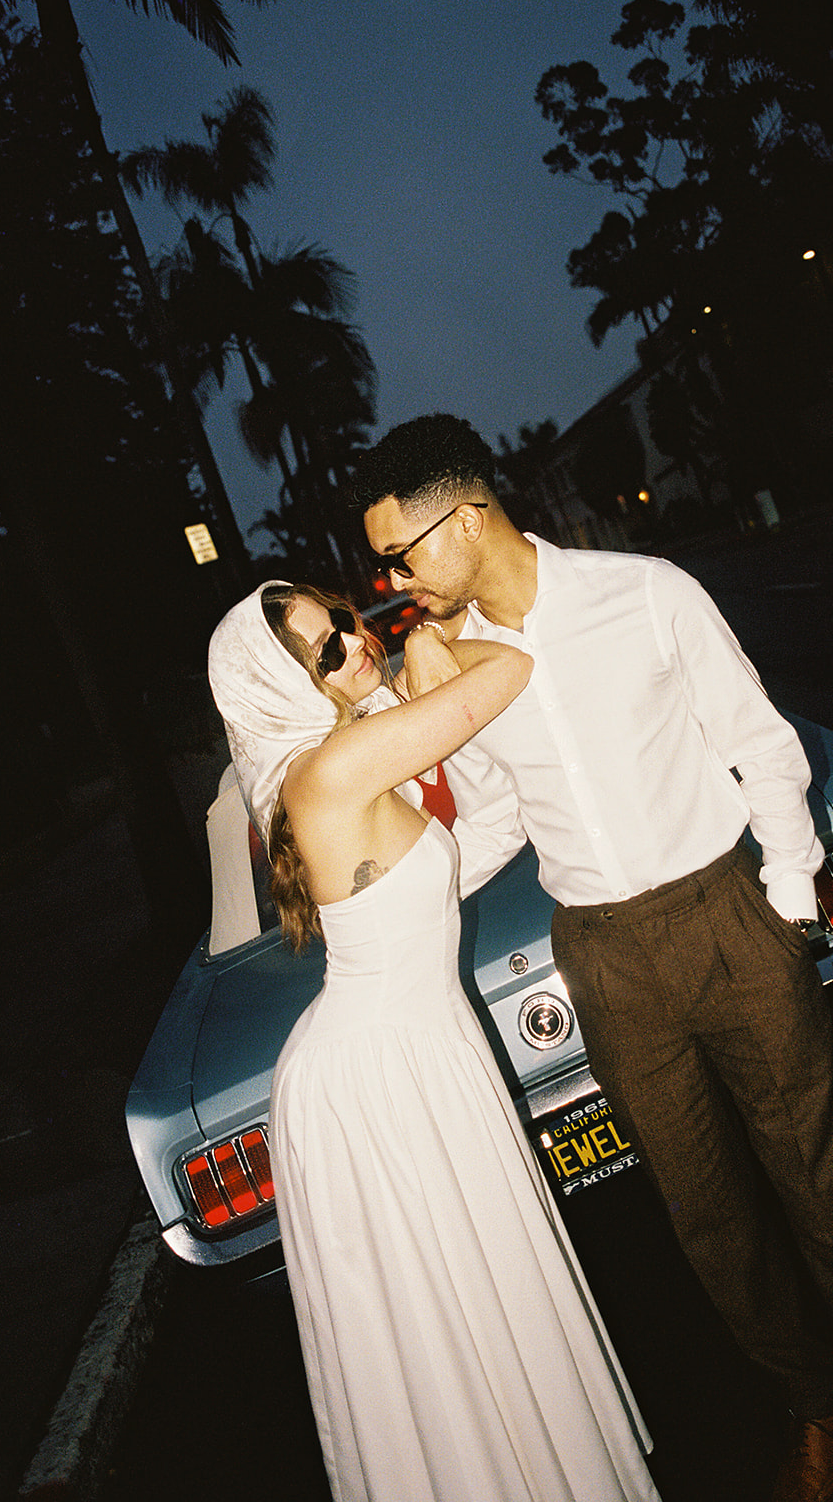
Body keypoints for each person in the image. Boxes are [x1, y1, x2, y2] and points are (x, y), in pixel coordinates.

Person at [353, 414, 833, 1502]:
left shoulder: (644, 592)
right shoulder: (465, 667)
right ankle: (826, 1406)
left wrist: (781, 904)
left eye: (399, 553)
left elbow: (758, 743)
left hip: (726, 919)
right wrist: (390, 876)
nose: (390, 578)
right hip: (604, 957)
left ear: (468, 517)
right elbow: (491, 821)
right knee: (710, 1226)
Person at [207, 580, 660, 1502]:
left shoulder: (351, 765)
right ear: (282, 691)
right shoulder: (327, 774)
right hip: (380, 1075)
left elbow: (473, 844)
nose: (351, 642)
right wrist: (423, 653)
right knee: (445, 1322)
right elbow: (513, 669)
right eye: (324, 653)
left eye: (341, 619)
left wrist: (403, 683)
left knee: (481, 1304)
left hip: (415, 1053)